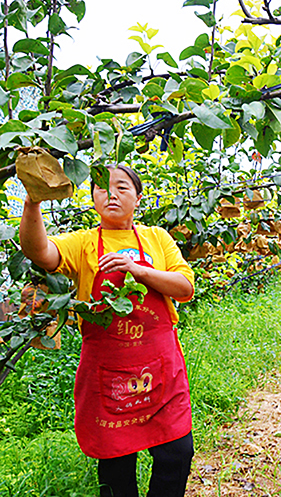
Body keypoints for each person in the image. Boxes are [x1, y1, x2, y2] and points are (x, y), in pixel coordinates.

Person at [19, 165, 196, 497]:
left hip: (160, 370)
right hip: (109, 373)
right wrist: (32, 203)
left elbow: (184, 286)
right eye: (102, 188)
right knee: (116, 465)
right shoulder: (83, 242)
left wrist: (138, 271)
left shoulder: (157, 237)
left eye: (122, 187)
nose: (111, 193)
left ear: (138, 199)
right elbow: (39, 251)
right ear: (93, 199)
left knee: (177, 453)